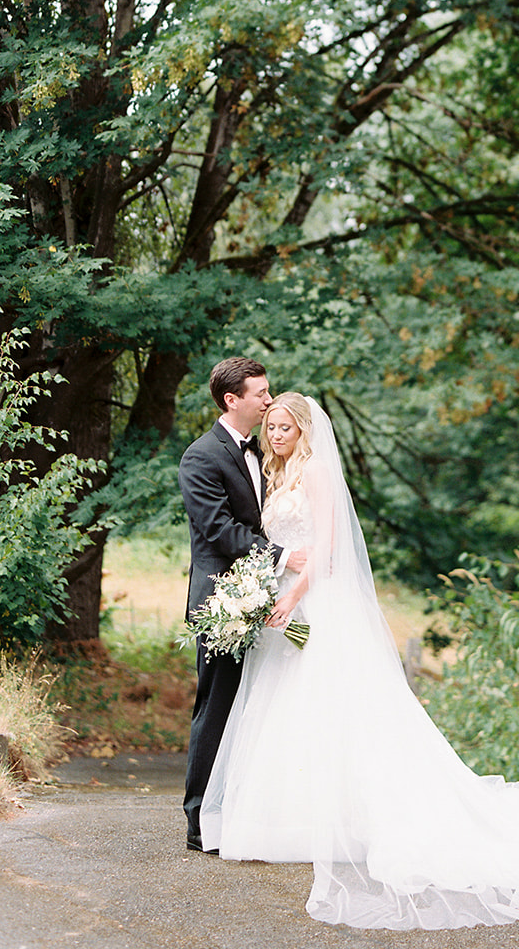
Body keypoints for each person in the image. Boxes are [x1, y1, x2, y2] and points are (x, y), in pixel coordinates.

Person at [199, 392, 519, 929]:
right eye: (271, 427)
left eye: (285, 427)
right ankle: (291, 820)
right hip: (283, 610)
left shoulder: (313, 475)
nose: (276, 435)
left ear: (306, 430)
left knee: (335, 704)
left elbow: (330, 548)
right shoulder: (274, 474)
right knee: (287, 706)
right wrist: (271, 592)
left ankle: (349, 821)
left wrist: (292, 595)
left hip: (316, 603)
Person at [178, 356, 307, 853]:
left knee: (261, 706)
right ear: (232, 400)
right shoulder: (201, 457)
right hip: (223, 603)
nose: (269, 400)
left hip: (269, 600)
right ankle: (199, 819)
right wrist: (282, 557)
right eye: (260, 393)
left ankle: (245, 812)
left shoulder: (270, 456)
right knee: (217, 707)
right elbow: (218, 530)